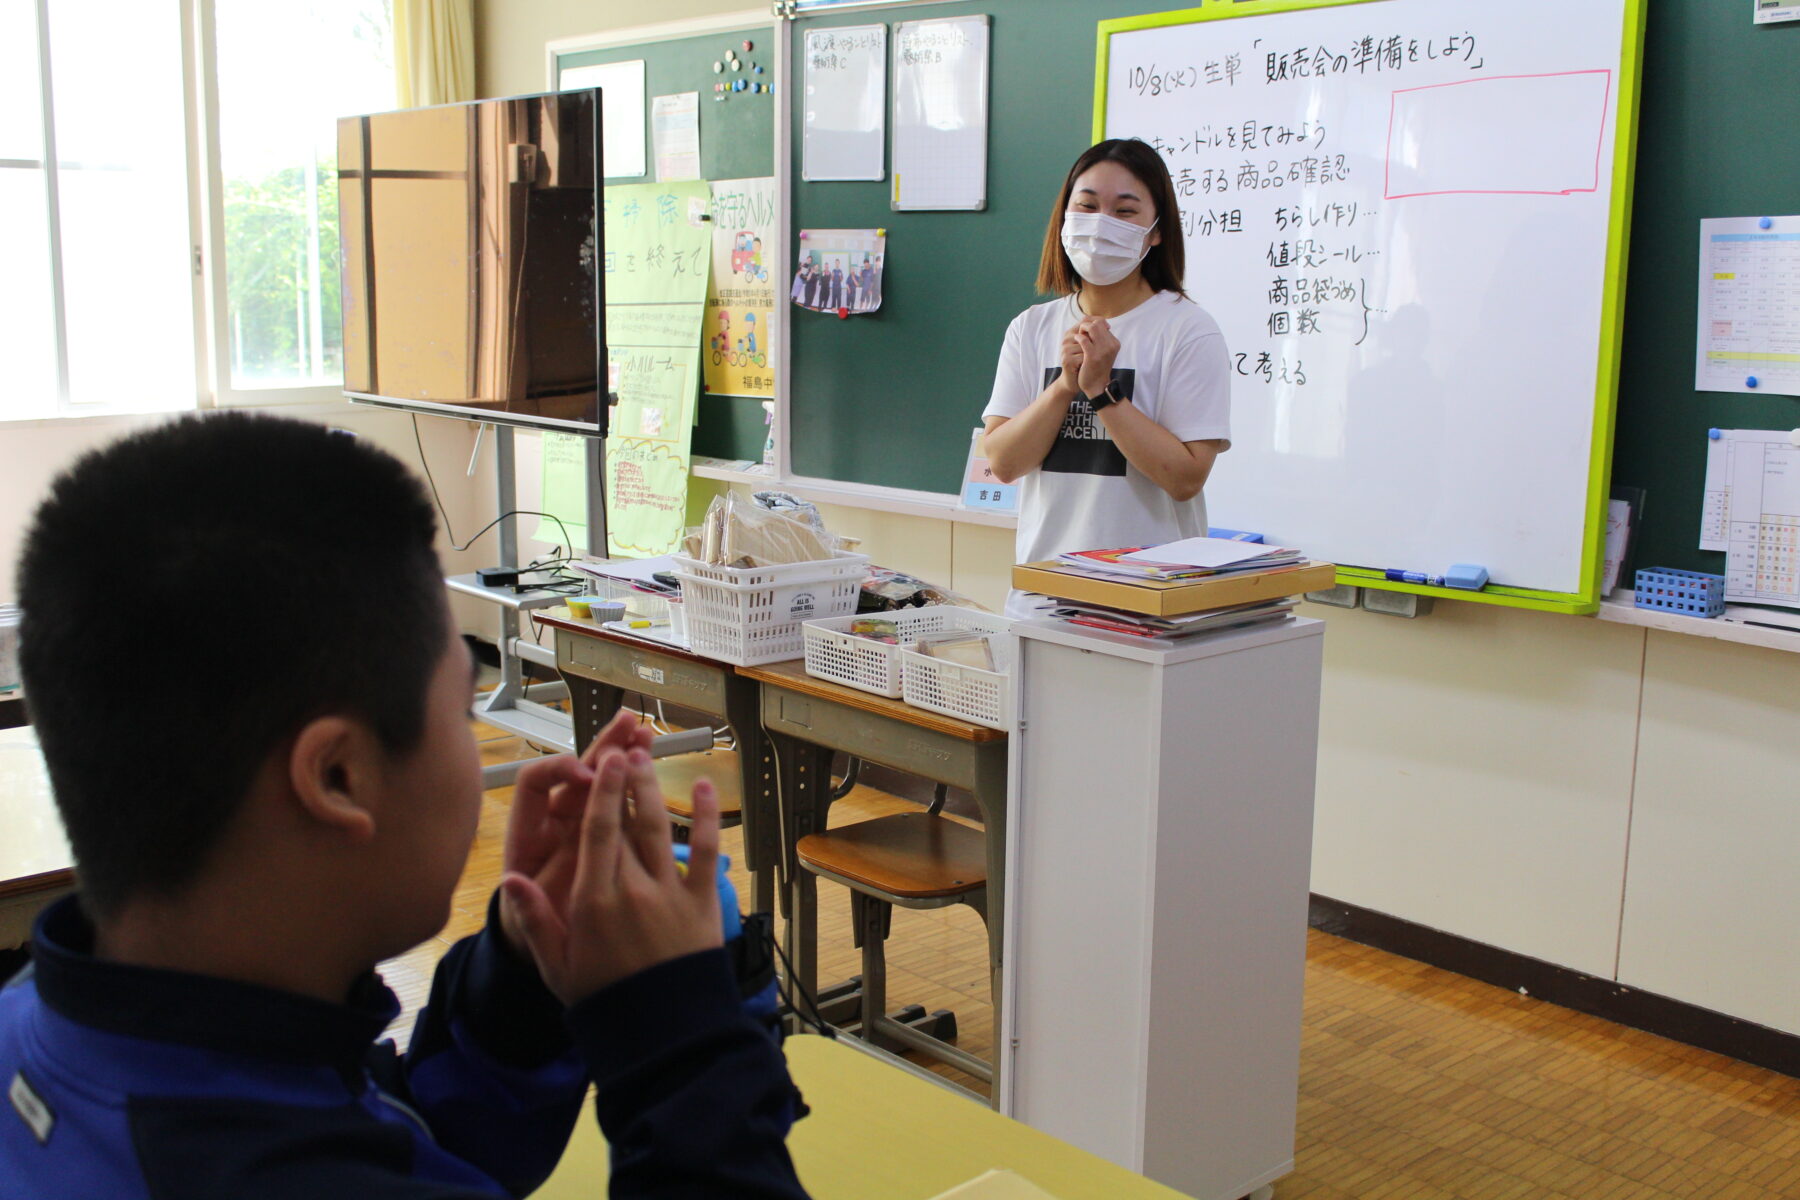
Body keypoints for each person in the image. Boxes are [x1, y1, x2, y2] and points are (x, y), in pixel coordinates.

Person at [0, 413, 810, 1199]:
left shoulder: (55, 1020)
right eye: (461, 709)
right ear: (340, 778)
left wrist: (517, 988)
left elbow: (390, 1138)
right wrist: (679, 1042)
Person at [980, 138, 1231, 618]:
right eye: (1088, 206)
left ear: (1156, 231)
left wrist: (1101, 391)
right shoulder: (1030, 327)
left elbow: (1185, 479)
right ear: (1065, 218)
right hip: (1044, 599)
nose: (1101, 225)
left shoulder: (1187, 330)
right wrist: (1063, 387)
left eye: (1125, 211)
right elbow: (1004, 462)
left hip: (1149, 608)